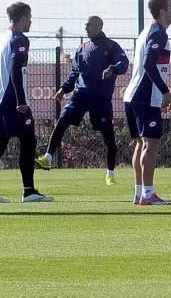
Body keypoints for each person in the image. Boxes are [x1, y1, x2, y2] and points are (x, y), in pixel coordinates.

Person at [35, 16, 129, 185]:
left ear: (99, 26)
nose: (85, 28)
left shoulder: (111, 46)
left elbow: (124, 62)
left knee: (108, 136)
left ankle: (110, 173)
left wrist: (113, 68)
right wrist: (64, 88)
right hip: (81, 94)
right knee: (63, 119)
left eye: (88, 25)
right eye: (85, 25)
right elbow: (75, 73)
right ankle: (48, 157)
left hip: (101, 98)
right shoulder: (82, 48)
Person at [0, 2, 53, 203]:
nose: (31, 21)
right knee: (29, 141)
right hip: (10, 99)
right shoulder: (19, 39)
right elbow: (14, 69)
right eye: (29, 17)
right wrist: (21, 100)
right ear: (22, 18)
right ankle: (28, 191)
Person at [123, 0, 171, 206]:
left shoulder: (147, 31)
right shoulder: (158, 33)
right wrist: (164, 91)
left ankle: (139, 193)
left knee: (141, 144)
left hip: (133, 95)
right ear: (162, 10)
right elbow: (149, 64)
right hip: (145, 96)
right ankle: (148, 193)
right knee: (151, 144)